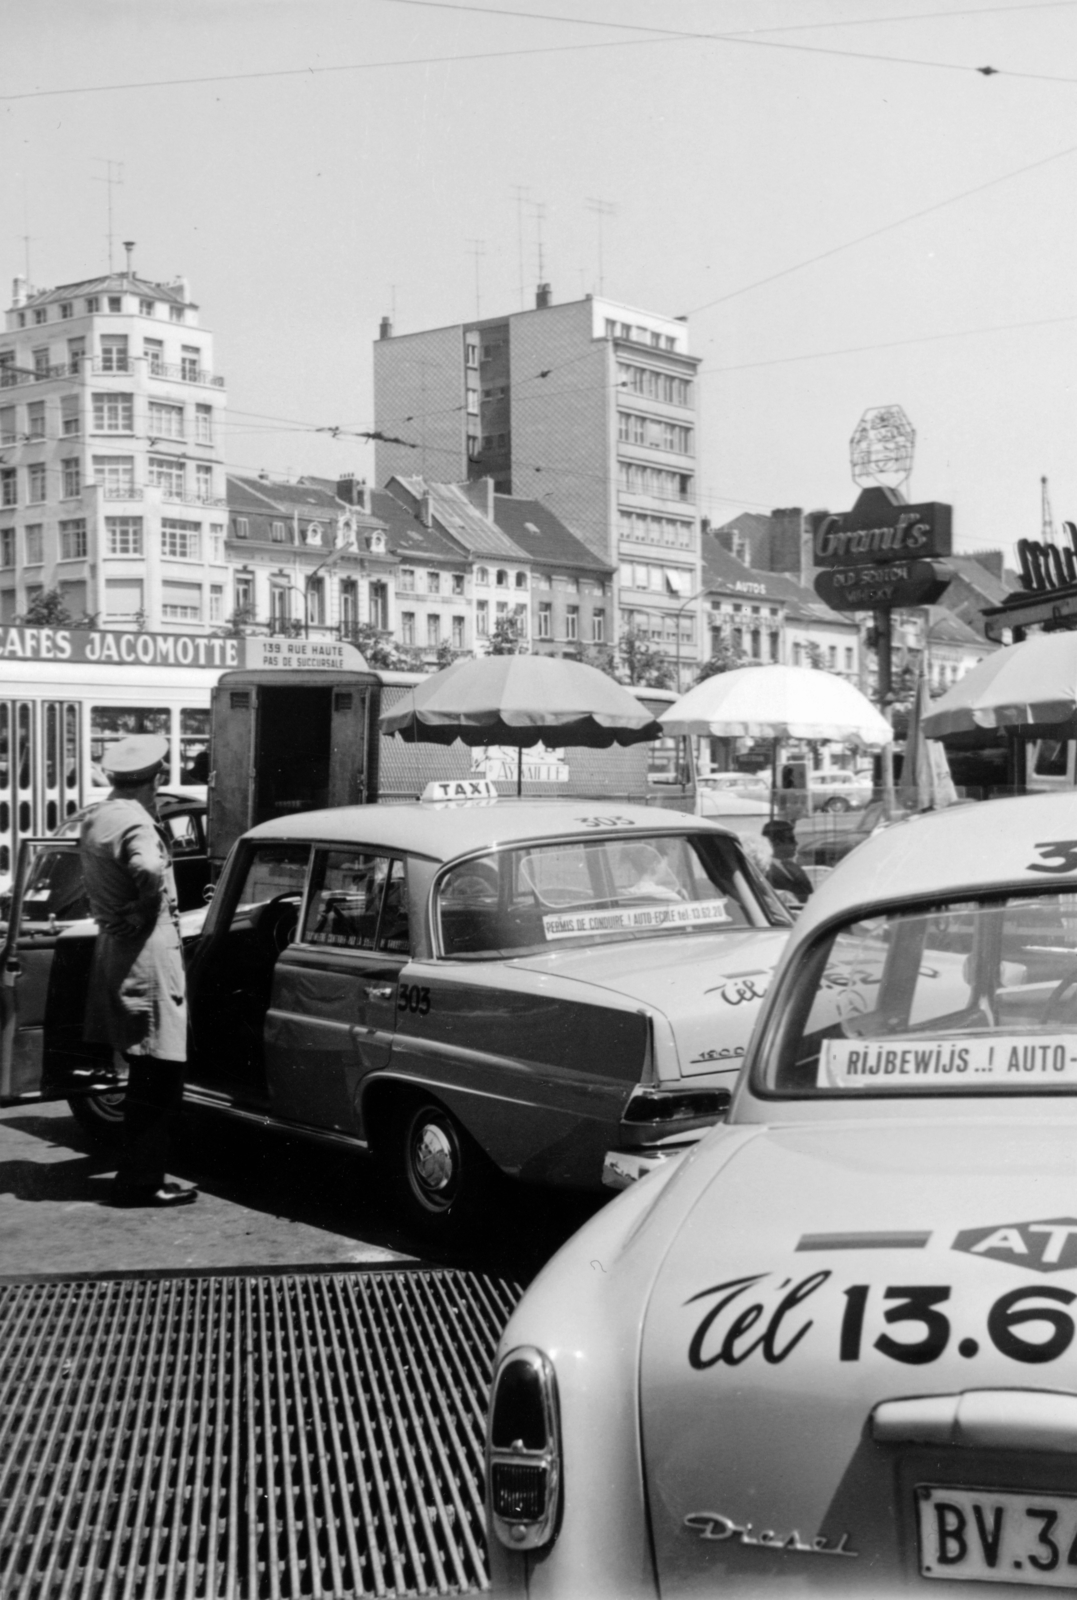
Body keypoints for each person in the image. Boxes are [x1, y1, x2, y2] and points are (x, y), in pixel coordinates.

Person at [79, 734, 197, 1208]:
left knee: (144, 1070)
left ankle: (139, 1174)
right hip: (148, 959)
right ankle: (141, 1181)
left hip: (116, 952)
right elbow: (148, 867)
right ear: (157, 778)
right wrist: (147, 907)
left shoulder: (98, 816)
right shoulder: (136, 824)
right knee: (158, 1073)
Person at [761, 818, 813, 906]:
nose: (796, 843)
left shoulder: (792, 867)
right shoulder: (764, 869)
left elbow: (808, 891)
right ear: (776, 843)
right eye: (791, 839)